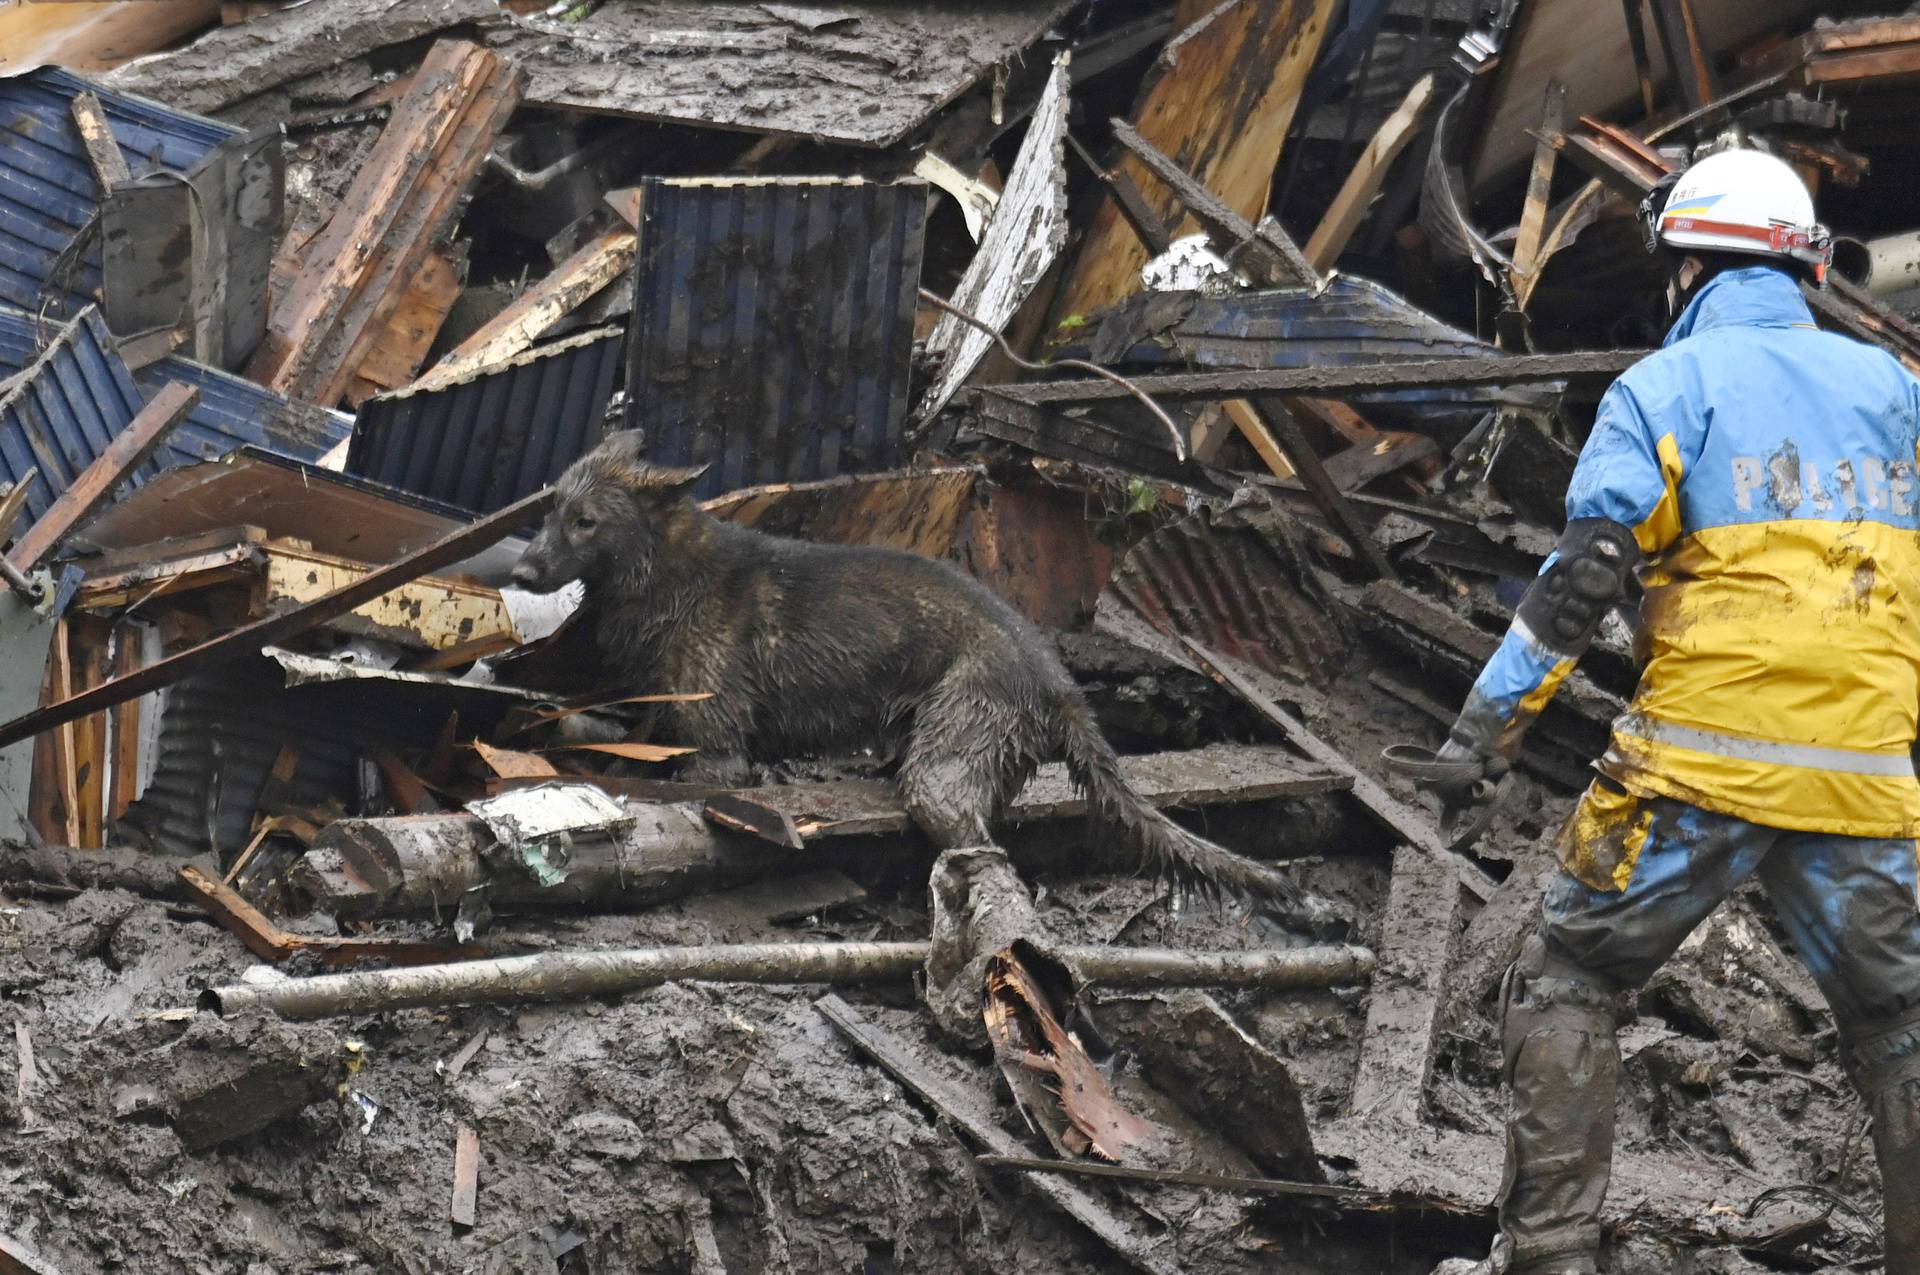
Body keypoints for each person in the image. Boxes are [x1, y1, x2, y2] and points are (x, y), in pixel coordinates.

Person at [1423, 147, 1920, 1274]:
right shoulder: (1899, 392)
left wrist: (1480, 738)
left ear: (1685, 268)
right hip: (1864, 781)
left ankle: (1548, 1256)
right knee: (1901, 1026)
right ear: (1800, 270)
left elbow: (1585, 581)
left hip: (1692, 775)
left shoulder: (1662, 388)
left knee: (1566, 977)